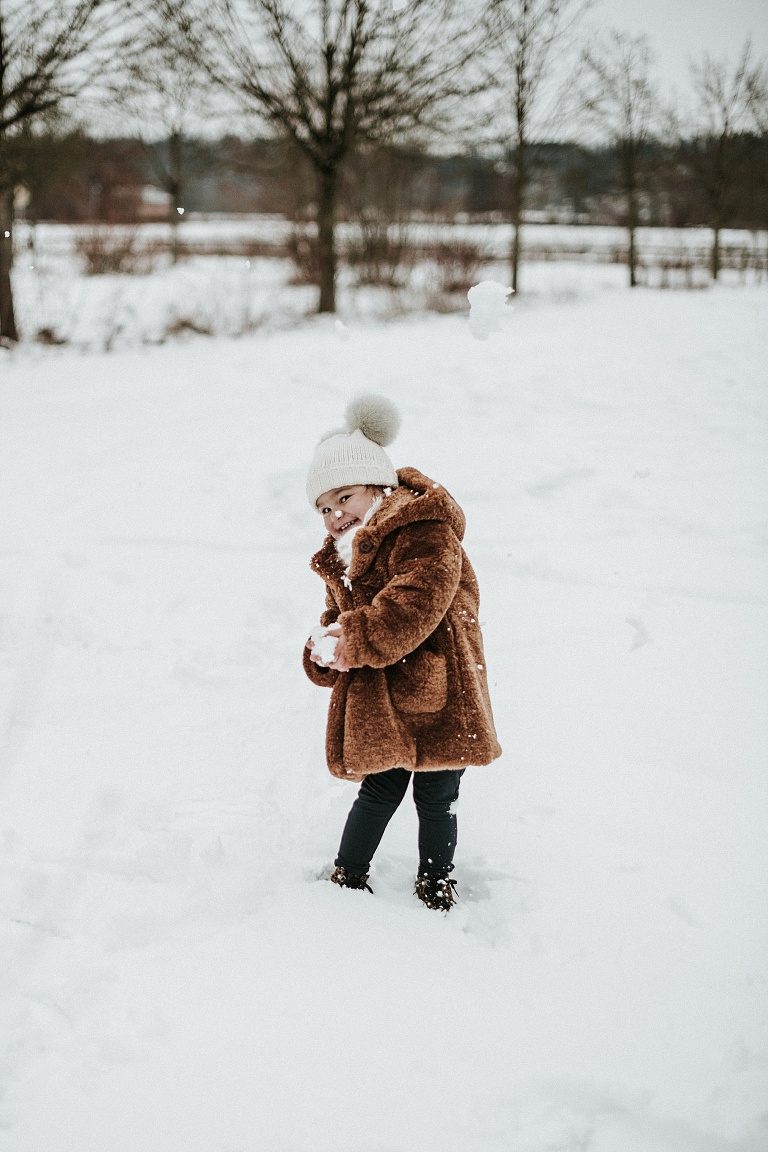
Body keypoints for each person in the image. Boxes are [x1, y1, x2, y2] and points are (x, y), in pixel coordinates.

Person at [303, 394, 501, 911]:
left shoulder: (423, 531)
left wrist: (352, 640)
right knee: (378, 790)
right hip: (384, 694)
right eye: (323, 508)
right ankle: (348, 875)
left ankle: (435, 882)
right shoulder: (346, 556)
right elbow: (339, 615)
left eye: (344, 497)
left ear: (377, 486)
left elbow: (414, 604)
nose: (334, 515)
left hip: (440, 689)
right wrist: (326, 647)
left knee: (436, 797)